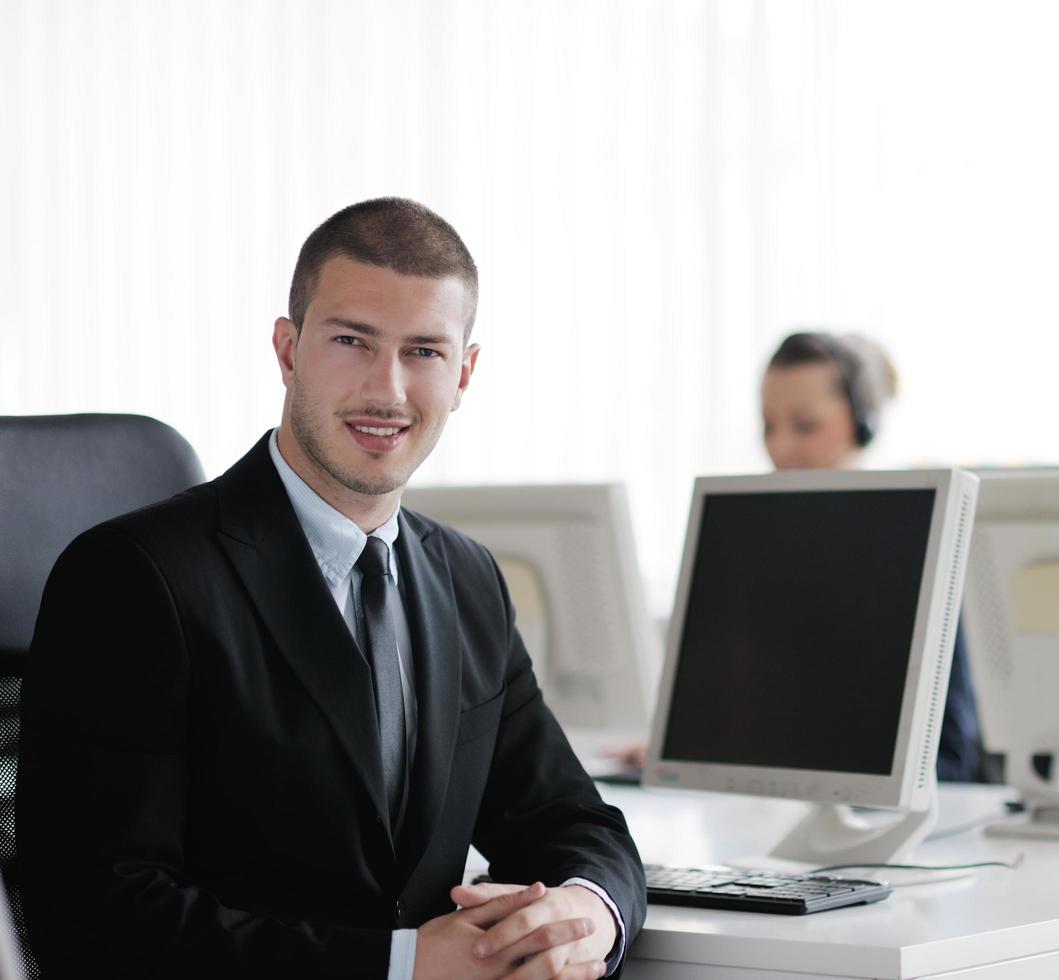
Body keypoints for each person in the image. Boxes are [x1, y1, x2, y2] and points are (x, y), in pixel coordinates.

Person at [19, 198, 645, 979]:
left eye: (423, 351)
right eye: (352, 342)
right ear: (288, 351)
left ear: (464, 374)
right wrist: (402, 965)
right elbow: (94, 915)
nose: (387, 390)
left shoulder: (468, 578)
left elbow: (567, 818)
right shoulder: (137, 577)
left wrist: (590, 909)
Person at [761, 331, 995, 783]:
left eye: (806, 425)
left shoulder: (916, 548)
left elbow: (950, 755)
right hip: (774, 808)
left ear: (863, 421)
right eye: (768, 426)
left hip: (888, 812)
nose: (781, 447)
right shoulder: (760, 551)